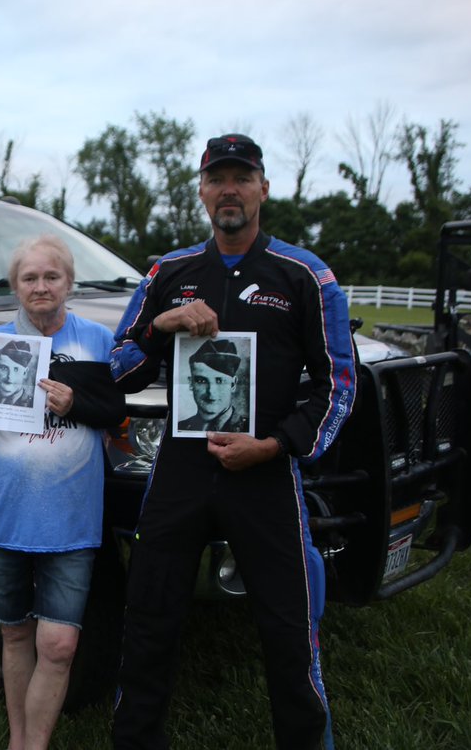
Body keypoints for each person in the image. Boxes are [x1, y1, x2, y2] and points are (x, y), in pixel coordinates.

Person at [109, 134, 356, 750]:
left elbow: (339, 383)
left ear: (262, 189)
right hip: (182, 469)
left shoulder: (305, 274)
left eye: (241, 178)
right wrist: (162, 325)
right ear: (201, 190)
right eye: (217, 178)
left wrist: (276, 446)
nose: (229, 189)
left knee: (288, 625)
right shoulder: (169, 272)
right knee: (149, 615)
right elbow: (118, 369)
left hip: (266, 469)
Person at [0, 234, 125, 750]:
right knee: (15, 634)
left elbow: (114, 414)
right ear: (15, 285)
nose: (41, 287)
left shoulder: (96, 340)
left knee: (61, 643)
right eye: (30, 278)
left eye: (51, 277)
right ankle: (21, 742)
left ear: (69, 282)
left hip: (70, 519)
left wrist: (76, 405)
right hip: (1, 515)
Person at [175, 338, 248, 432]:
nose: (211, 392)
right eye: (201, 381)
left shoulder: (249, 430)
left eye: (220, 381)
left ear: (233, 384)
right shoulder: (180, 428)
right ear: (190, 383)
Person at [0, 339, 36, 406]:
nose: (10, 377)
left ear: (25, 373)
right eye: (4, 368)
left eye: (16, 369)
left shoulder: (33, 405)